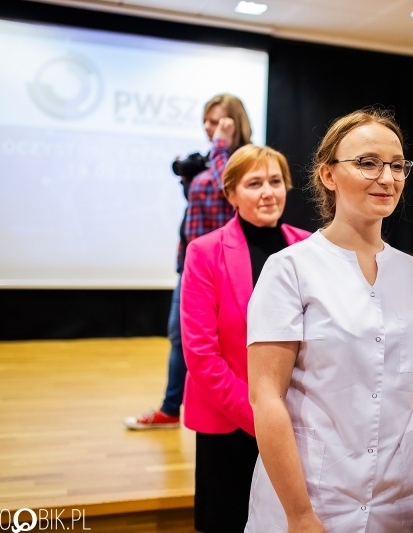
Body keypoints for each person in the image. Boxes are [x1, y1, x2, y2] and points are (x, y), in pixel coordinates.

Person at [245, 107, 413, 532]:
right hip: (313, 498)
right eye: (368, 163)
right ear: (328, 175)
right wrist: (299, 514)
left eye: (397, 165)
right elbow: (267, 398)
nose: (387, 177)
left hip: (399, 499)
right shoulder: (290, 269)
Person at [180, 144, 311, 533]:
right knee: (228, 520)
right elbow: (201, 354)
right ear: (231, 194)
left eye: (275, 181)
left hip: (298, 418)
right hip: (230, 420)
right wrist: (260, 416)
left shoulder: (309, 247)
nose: (268, 192)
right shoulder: (204, 252)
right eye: (254, 184)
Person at [125, 93, 252, 430]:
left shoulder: (244, 158)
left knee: (216, 342)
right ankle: (171, 409)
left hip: (225, 264)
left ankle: (226, 409)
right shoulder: (211, 158)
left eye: (216, 121)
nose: (209, 127)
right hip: (192, 262)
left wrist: (221, 146)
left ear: (234, 121)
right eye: (206, 121)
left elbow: (229, 190)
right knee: (181, 337)